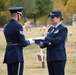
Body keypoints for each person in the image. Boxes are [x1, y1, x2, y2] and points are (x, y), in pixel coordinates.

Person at [34, 11, 68, 75]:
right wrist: (41, 43)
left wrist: (45, 38)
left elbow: (57, 40)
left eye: (53, 17)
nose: (51, 19)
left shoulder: (63, 29)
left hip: (58, 57)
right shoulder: (50, 29)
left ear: (59, 18)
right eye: (51, 17)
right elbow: (48, 42)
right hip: (50, 56)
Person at [3, 7, 34, 75]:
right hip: (16, 55)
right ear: (18, 14)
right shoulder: (17, 26)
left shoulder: (6, 26)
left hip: (9, 54)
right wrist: (31, 41)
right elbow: (23, 43)